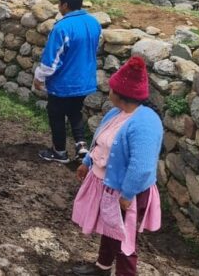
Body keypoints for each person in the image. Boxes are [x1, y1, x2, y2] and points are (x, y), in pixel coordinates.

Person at [71, 56, 162, 276]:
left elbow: (142, 167)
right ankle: (102, 268)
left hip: (127, 192)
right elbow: (101, 143)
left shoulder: (145, 123)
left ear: (120, 94)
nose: (108, 91)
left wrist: (128, 194)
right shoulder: (116, 113)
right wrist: (87, 162)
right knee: (109, 228)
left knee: (124, 239)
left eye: (111, 88)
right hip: (109, 187)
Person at [33, 0, 101, 163]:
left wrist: (39, 77)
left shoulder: (62, 27)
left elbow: (52, 59)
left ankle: (59, 151)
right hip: (85, 80)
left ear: (65, 4)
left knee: (56, 113)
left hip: (64, 82)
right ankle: (81, 145)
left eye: (59, 3)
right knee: (74, 111)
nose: (58, 6)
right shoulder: (94, 23)